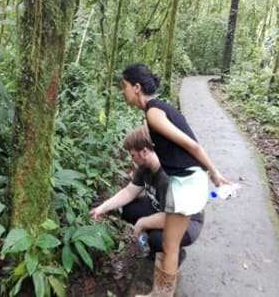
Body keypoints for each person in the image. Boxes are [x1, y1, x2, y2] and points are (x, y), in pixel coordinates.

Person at [121, 63, 229, 297]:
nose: (123, 92)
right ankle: (160, 293)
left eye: (125, 86)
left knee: (170, 247)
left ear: (137, 87)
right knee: (169, 246)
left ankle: (160, 295)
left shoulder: (153, 112)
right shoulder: (157, 110)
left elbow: (191, 144)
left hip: (187, 182)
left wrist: (215, 173)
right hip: (185, 181)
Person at [90, 126, 204, 267]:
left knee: (156, 239)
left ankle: (176, 252)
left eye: (133, 155)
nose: (132, 159)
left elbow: (170, 217)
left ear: (144, 152)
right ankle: (155, 241)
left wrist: (143, 223)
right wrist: (101, 208)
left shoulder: (167, 177)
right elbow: (129, 192)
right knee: (128, 209)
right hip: (161, 209)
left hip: (185, 222)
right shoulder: (145, 167)